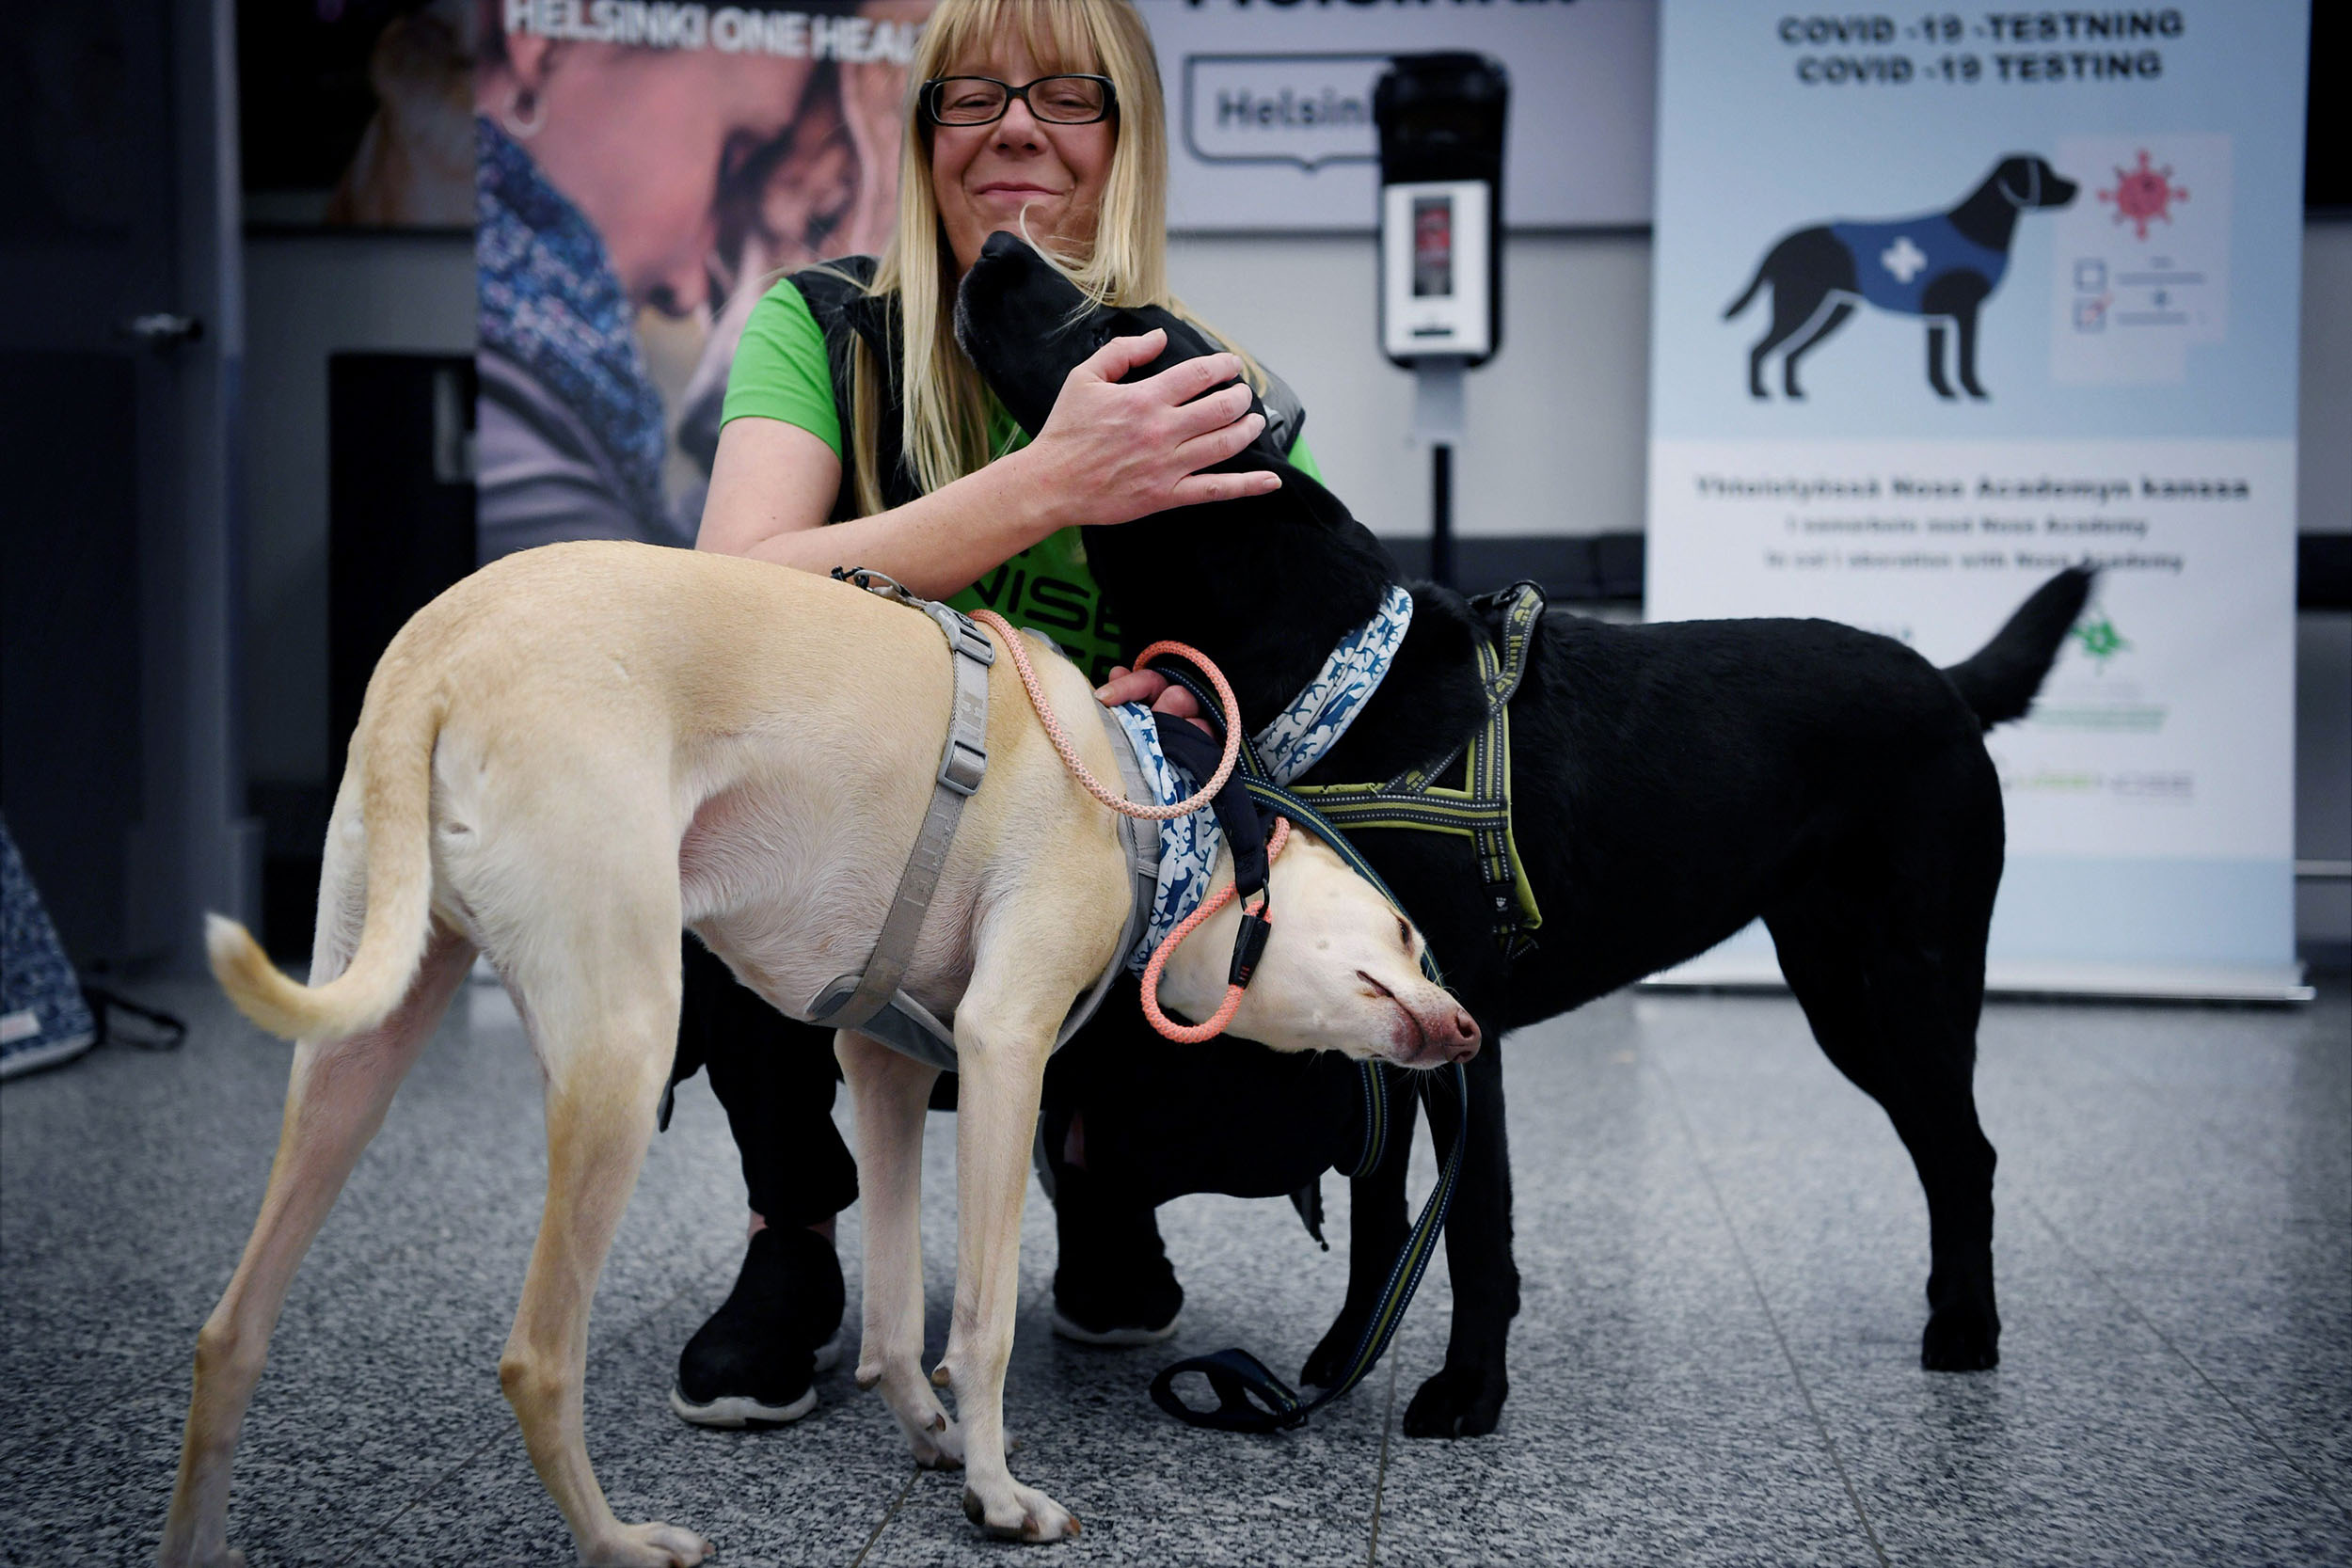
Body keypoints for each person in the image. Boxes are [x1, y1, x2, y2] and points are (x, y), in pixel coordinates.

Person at [673, 0, 1323, 1428]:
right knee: (723, 797)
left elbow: (1293, 680)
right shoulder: (824, 325)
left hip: (1084, 866)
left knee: (1259, 894)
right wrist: (1046, 484)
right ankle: (792, 1234)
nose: (1015, 125)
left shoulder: (1208, 390)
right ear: (920, 141)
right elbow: (730, 595)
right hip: (843, 853)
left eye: (1066, 97)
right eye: (969, 98)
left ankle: (1101, 1174)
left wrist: (1200, 712)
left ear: (1126, 142)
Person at [472, 16, 820, 559]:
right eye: (736, 153)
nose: (687, 294)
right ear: (545, 40)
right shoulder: (501, 411)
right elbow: (633, 619)